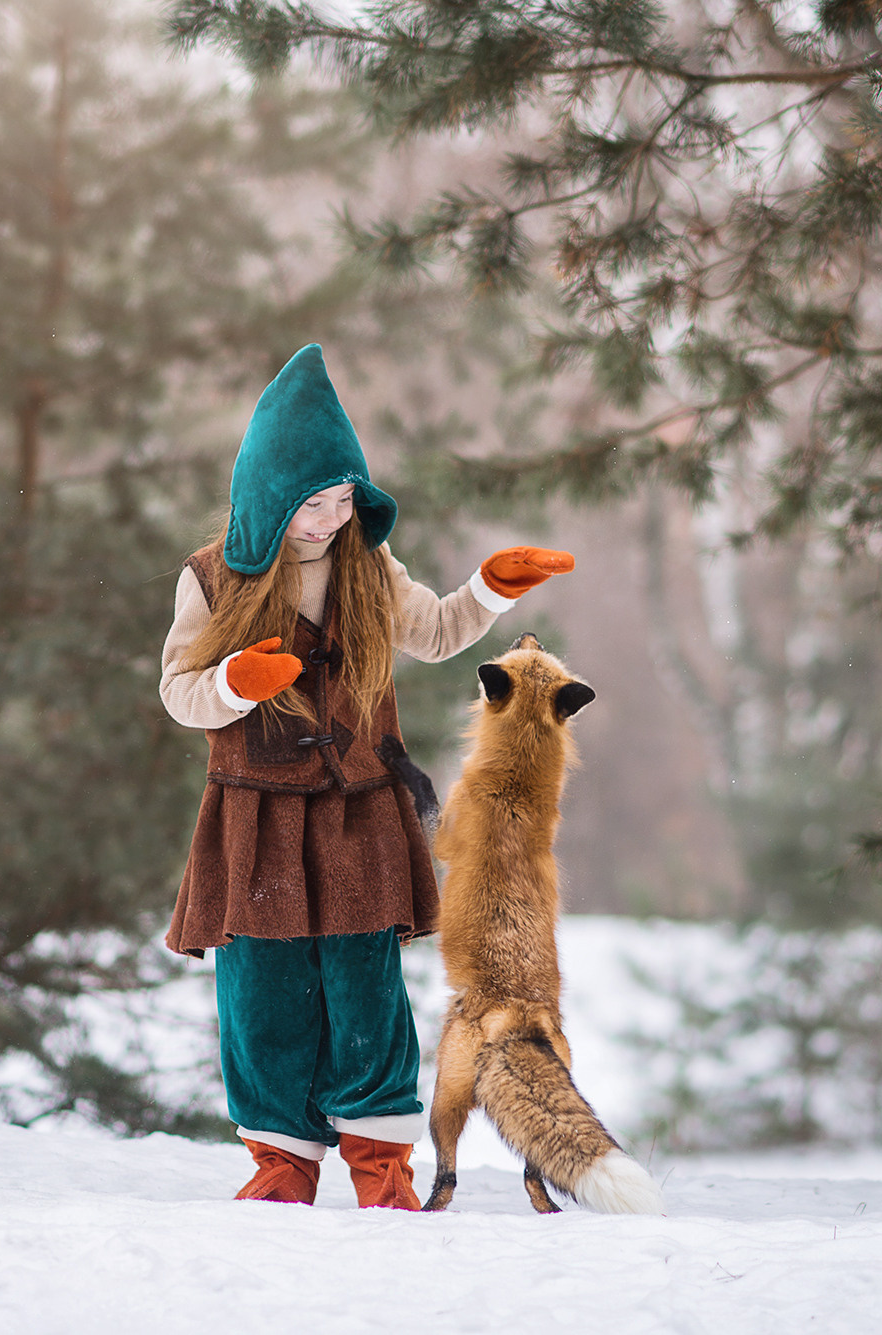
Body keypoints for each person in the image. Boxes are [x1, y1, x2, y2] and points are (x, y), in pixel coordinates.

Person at [158, 344, 575, 1208]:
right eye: (314, 501)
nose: (332, 516)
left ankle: (380, 1166)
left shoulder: (369, 566)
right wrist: (235, 684)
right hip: (255, 824)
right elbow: (178, 693)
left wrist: (489, 590)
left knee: (364, 991)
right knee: (263, 996)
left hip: (357, 816)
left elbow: (437, 630)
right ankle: (281, 1164)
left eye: (346, 498)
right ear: (271, 495)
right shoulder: (210, 579)